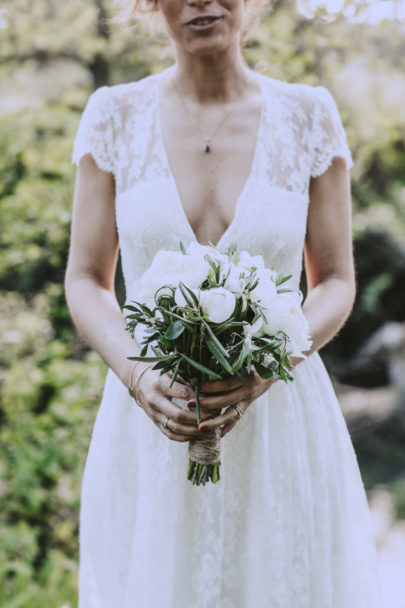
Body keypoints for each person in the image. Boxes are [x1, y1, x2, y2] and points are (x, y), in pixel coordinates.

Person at [65, 0, 383, 605]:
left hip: (280, 424)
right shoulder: (114, 116)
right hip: (151, 425)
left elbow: (336, 280)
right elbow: (86, 278)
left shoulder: (308, 116)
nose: (203, 1)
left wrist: (272, 361)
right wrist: (137, 376)